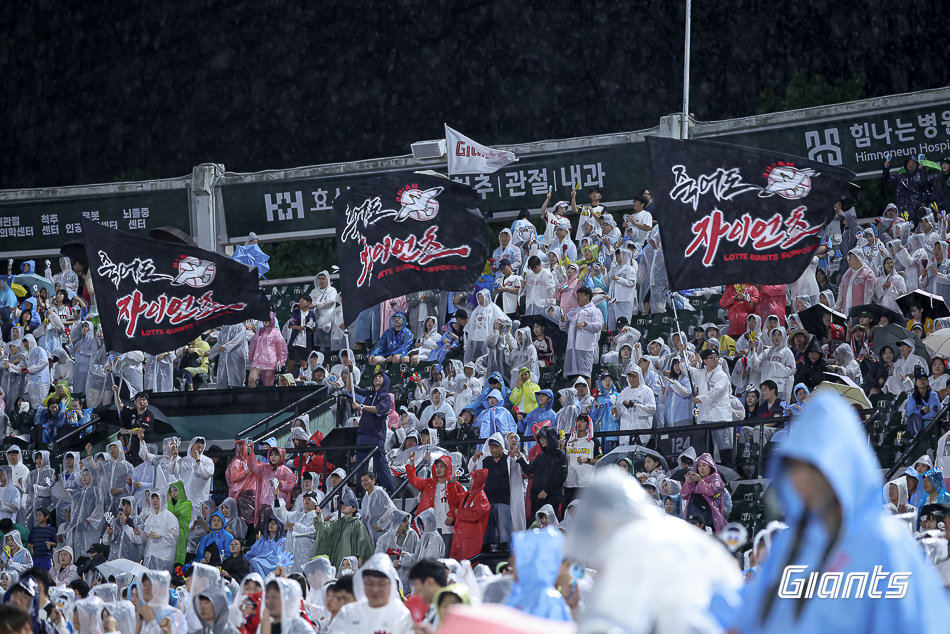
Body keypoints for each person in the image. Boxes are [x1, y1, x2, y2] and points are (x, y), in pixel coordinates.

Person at [722, 391, 950, 633]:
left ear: (842, 465)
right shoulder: (789, 545)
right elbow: (746, 619)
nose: (801, 481)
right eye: (794, 468)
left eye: (812, 468)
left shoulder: (884, 545)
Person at [330, 554, 413, 634]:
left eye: (381, 584)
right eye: (370, 583)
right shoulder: (349, 612)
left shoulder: (402, 616)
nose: (375, 589)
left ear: (391, 585)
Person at [405, 453, 463, 554]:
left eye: (442, 466)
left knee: (445, 555)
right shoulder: (428, 483)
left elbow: (459, 504)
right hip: (431, 526)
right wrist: (411, 463)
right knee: (428, 553)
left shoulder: (455, 485)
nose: (438, 469)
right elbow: (414, 480)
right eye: (437, 466)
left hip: (447, 527)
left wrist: (452, 516)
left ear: (448, 468)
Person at [350, 370, 397, 493]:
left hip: (376, 436)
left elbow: (379, 410)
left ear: (385, 381)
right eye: (376, 376)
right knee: (360, 466)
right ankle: (361, 493)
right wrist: (350, 369)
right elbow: (351, 388)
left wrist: (361, 406)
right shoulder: (369, 393)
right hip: (362, 435)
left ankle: (391, 490)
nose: (377, 378)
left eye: (381, 377)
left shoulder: (386, 397)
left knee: (380, 465)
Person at [517, 425, 567, 518]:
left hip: (553, 498)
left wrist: (547, 490)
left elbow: (561, 476)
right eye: (540, 438)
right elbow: (529, 470)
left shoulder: (560, 455)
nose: (542, 440)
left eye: (544, 438)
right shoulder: (540, 456)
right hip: (537, 498)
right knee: (536, 526)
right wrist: (519, 457)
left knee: (550, 526)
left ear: (551, 438)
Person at [560, 286, 603, 380]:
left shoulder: (594, 311)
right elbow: (563, 327)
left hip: (585, 347)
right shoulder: (572, 311)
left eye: (580, 295)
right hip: (572, 348)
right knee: (573, 375)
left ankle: (587, 394)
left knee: (585, 374)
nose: (577, 297)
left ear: (587, 296)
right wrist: (563, 321)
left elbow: (598, 326)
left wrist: (586, 324)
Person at [247, 313, 288, 387]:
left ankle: (268, 398)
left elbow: (282, 348)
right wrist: (251, 355)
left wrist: (282, 362)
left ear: (271, 320)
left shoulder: (276, 333)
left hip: (270, 362)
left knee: (268, 384)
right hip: (258, 361)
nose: (265, 321)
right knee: (251, 379)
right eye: (264, 319)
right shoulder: (259, 331)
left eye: (268, 319)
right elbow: (253, 343)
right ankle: (253, 397)